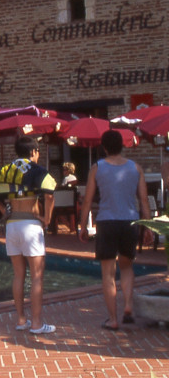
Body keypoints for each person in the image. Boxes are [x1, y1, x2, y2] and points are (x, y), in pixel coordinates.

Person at [79, 130, 153, 330]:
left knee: (108, 273)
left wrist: (83, 225)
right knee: (127, 266)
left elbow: (87, 200)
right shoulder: (135, 168)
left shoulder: (97, 168)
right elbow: (144, 200)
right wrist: (148, 226)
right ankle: (128, 305)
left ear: (103, 147)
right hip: (130, 221)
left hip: (107, 222)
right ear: (122, 145)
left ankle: (112, 319)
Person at [0, 136, 57, 334]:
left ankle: (21, 320)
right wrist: (47, 218)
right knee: (36, 276)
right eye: (38, 152)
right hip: (31, 225)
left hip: (12, 226)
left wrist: (4, 211)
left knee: (18, 275)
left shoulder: (4, 170)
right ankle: (36, 323)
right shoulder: (38, 171)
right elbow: (50, 192)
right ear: (33, 151)